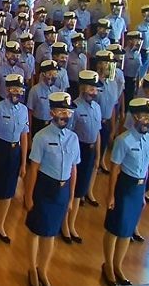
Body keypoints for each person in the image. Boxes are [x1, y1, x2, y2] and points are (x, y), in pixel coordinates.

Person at [24, 91, 80, 286]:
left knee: (52, 233)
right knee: (36, 230)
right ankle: (32, 268)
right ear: (52, 113)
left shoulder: (73, 138)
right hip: (44, 189)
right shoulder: (42, 137)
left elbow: (74, 169)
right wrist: (28, 196)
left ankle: (43, 270)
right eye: (60, 111)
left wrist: (71, 196)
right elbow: (33, 169)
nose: (64, 115)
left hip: (62, 191)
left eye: (67, 112)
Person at [102, 97, 149, 285]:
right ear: (135, 117)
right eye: (144, 116)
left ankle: (118, 265)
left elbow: (146, 168)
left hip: (138, 187)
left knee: (127, 230)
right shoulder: (123, 140)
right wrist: (110, 195)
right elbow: (115, 169)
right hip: (124, 185)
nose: (148, 121)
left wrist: (142, 194)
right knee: (115, 227)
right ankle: (108, 265)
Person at [0, 74, 29, 244]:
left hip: (15, 151)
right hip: (0, 150)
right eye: (13, 89)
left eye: (19, 89)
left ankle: (1, 224)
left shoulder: (23, 110)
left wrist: (24, 162)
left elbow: (24, 137)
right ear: (7, 90)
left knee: (8, 192)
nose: (16, 92)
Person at [62, 70, 103, 244]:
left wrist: (98, 155)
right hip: (77, 150)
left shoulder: (97, 107)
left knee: (80, 190)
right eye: (91, 88)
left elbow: (98, 132)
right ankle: (64, 224)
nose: (93, 92)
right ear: (82, 88)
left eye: (95, 89)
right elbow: (69, 135)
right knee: (72, 188)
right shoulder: (75, 108)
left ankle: (72, 224)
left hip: (91, 149)